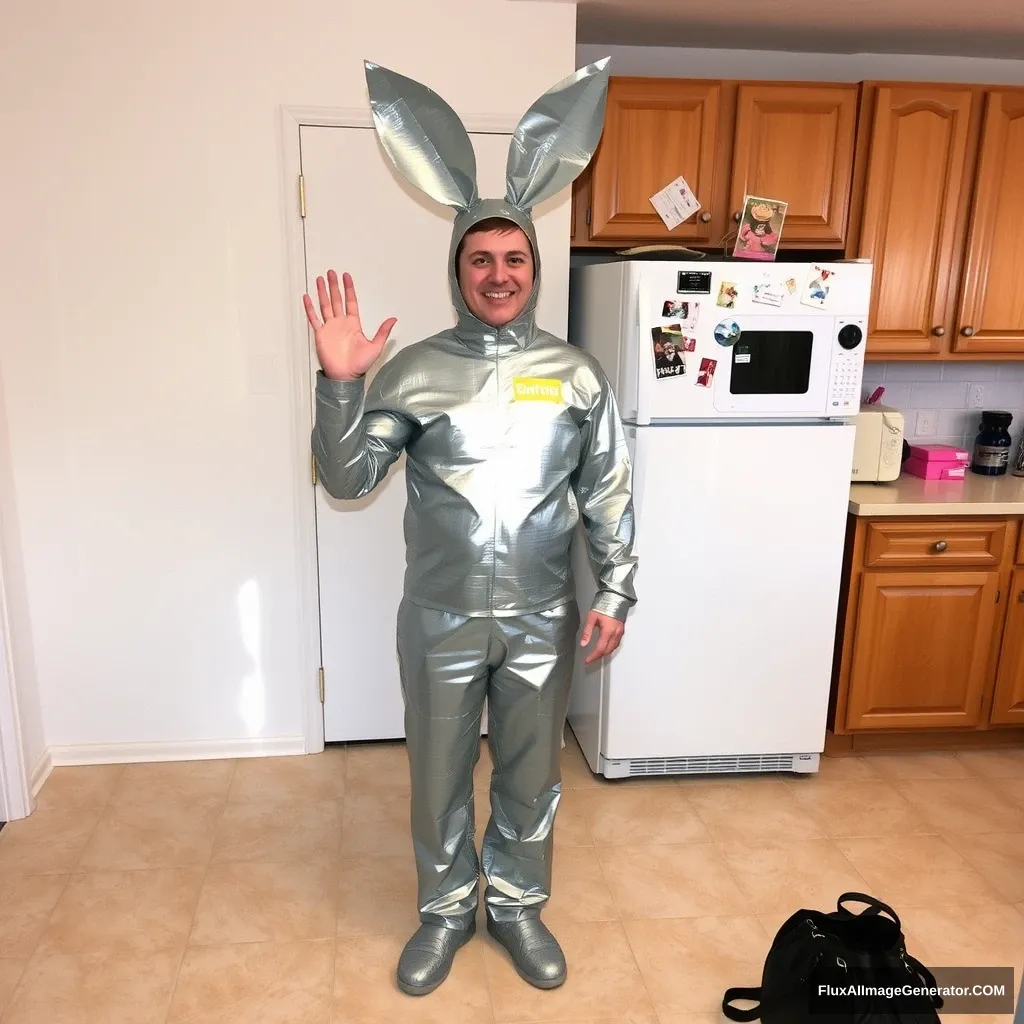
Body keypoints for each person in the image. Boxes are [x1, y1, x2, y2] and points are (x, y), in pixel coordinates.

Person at [306, 57, 637, 997]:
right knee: (439, 774)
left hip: (541, 614)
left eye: (514, 259)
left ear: (533, 265)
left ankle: (519, 907)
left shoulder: (574, 374)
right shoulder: (412, 370)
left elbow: (608, 488)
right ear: (458, 268)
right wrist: (341, 383)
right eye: (480, 259)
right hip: (441, 616)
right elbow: (346, 475)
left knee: (532, 778)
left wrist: (615, 589)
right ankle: (446, 911)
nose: (499, 275)